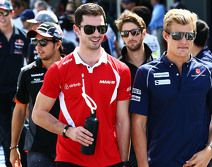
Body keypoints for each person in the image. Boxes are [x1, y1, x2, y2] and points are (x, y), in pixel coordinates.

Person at [32, 3, 131, 167]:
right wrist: (68, 131)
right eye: (90, 29)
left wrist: (124, 162)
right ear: (77, 30)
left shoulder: (121, 70)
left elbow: (122, 121)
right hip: (69, 159)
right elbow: (38, 114)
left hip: (110, 160)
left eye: (101, 28)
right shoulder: (59, 69)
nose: (97, 34)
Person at [130, 9, 212, 167]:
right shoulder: (146, 73)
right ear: (166, 35)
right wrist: (142, 164)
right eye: (177, 35)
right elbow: (138, 124)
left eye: (189, 36)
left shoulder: (209, 71)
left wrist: (210, 150)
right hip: (160, 162)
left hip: (200, 163)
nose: (184, 41)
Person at [10, 22, 62, 167]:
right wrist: (13, 147)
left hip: (68, 146)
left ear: (58, 44)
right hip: (37, 149)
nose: (38, 47)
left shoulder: (71, 69)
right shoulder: (27, 72)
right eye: (35, 42)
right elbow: (20, 110)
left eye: (43, 42)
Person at [115, 11, 153, 167]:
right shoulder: (115, 69)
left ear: (144, 33)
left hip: (156, 139)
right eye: (125, 34)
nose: (130, 37)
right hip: (126, 142)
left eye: (135, 32)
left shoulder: (158, 66)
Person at [0, 1, 28, 166]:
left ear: (11, 13)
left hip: (19, 92)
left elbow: (32, 61)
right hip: (0, 94)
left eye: (5, 12)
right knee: (6, 135)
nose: (2, 17)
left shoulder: (22, 35)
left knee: (22, 133)